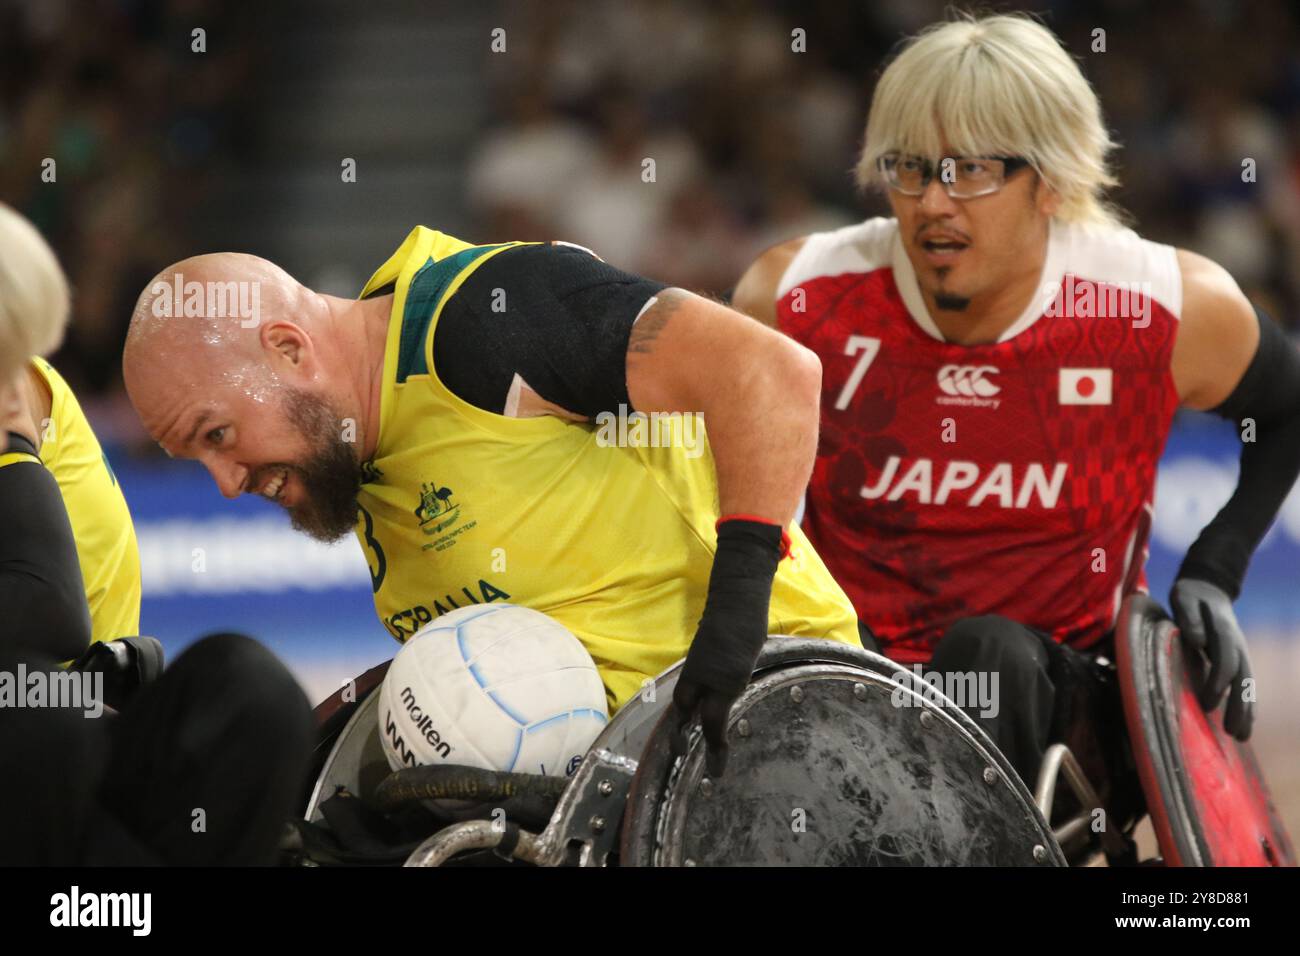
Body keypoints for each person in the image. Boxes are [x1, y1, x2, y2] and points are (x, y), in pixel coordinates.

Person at [731, 13, 1300, 787]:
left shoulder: (1161, 306)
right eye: (910, 168)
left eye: (969, 171)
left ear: (1052, 180)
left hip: (1062, 693)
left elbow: (1289, 405)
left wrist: (1214, 567)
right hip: (846, 678)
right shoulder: (793, 297)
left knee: (987, 653)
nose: (933, 202)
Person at [122, 233, 860, 774]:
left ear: (288, 349)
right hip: (602, 779)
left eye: (217, 435)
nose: (224, 482)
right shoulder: (358, 449)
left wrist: (735, 619)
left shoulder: (487, 320)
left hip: (768, 721)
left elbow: (768, 371)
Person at [0, 203, 312, 865]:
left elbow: (44, 612)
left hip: (61, 753)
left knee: (247, 689)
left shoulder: (10, 390)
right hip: (49, 747)